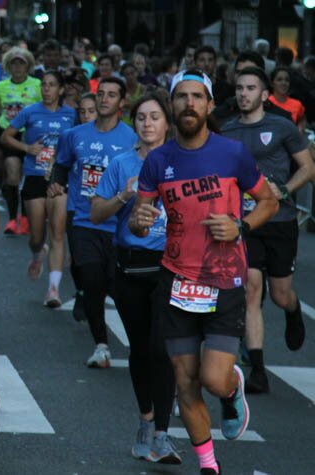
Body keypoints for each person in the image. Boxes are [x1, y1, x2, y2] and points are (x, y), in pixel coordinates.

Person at [130, 69, 278, 475]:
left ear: (210, 105)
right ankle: (209, 466)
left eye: (197, 97)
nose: (189, 104)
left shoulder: (231, 154)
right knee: (184, 381)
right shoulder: (158, 161)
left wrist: (241, 227)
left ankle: (231, 394)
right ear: (172, 106)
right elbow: (140, 221)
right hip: (176, 281)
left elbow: (269, 200)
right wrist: (139, 220)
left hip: (224, 280)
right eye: (181, 97)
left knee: (213, 379)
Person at [90, 93, 181, 465]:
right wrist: (123, 197)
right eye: (141, 117)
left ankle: (162, 434)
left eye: (155, 117)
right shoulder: (121, 163)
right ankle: (146, 420)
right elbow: (96, 212)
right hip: (129, 266)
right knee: (141, 350)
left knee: (163, 348)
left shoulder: (181, 161)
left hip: (170, 266)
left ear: (167, 123)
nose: (147, 124)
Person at [220, 67, 312, 394]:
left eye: (251, 88)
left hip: (281, 222)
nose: (244, 93)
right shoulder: (227, 131)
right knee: (251, 288)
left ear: (264, 94)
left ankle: (293, 311)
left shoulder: (282, 127)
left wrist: (284, 191)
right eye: (240, 88)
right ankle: (258, 369)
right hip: (247, 222)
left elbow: (308, 167)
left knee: (280, 293)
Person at [49, 77, 137, 367]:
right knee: (92, 281)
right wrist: (56, 184)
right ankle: (101, 345)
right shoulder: (75, 135)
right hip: (84, 219)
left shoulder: (132, 139)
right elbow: (61, 165)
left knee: (119, 286)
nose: (104, 99)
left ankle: (138, 341)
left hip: (118, 224)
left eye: (112, 95)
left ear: (122, 103)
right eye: (101, 94)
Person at [0, 71, 75, 305]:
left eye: (52, 85)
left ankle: (53, 290)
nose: (46, 89)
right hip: (33, 177)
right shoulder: (30, 112)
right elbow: (6, 137)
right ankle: (37, 253)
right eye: (44, 85)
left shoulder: (71, 115)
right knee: (36, 236)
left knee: (57, 232)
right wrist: (27, 148)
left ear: (61, 89)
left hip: (59, 179)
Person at [0, 47, 42, 235]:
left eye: (21, 63)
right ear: (8, 65)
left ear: (28, 65)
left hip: (32, 135)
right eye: (14, 63)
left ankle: (25, 217)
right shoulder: (1, 87)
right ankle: (13, 219)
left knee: (29, 177)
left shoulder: (37, 85)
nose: (18, 66)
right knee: (12, 175)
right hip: (10, 134)